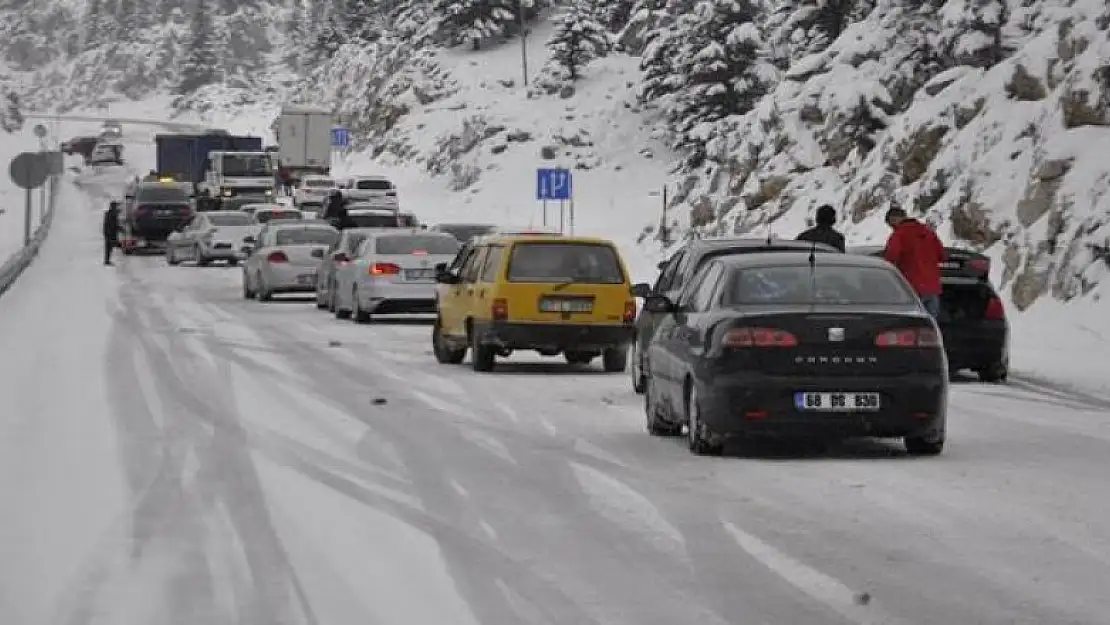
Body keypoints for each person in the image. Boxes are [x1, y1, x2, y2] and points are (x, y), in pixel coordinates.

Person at [882, 206, 946, 318]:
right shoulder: (928, 232)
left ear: (894, 219)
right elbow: (942, 255)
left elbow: (890, 259)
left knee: (913, 327)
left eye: (891, 224)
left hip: (911, 288)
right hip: (932, 287)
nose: (892, 228)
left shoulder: (899, 235)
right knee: (931, 325)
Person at [102, 201, 121, 265]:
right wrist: (120, 228)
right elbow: (113, 225)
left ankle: (107, 261)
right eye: (116, 206)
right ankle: (107, 261)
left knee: (109, 248)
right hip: (110, 233)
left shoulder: (109, 213)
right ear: (113, 207)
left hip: (109, 233)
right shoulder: (111, 214)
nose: (117, 208)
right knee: (109, 247)